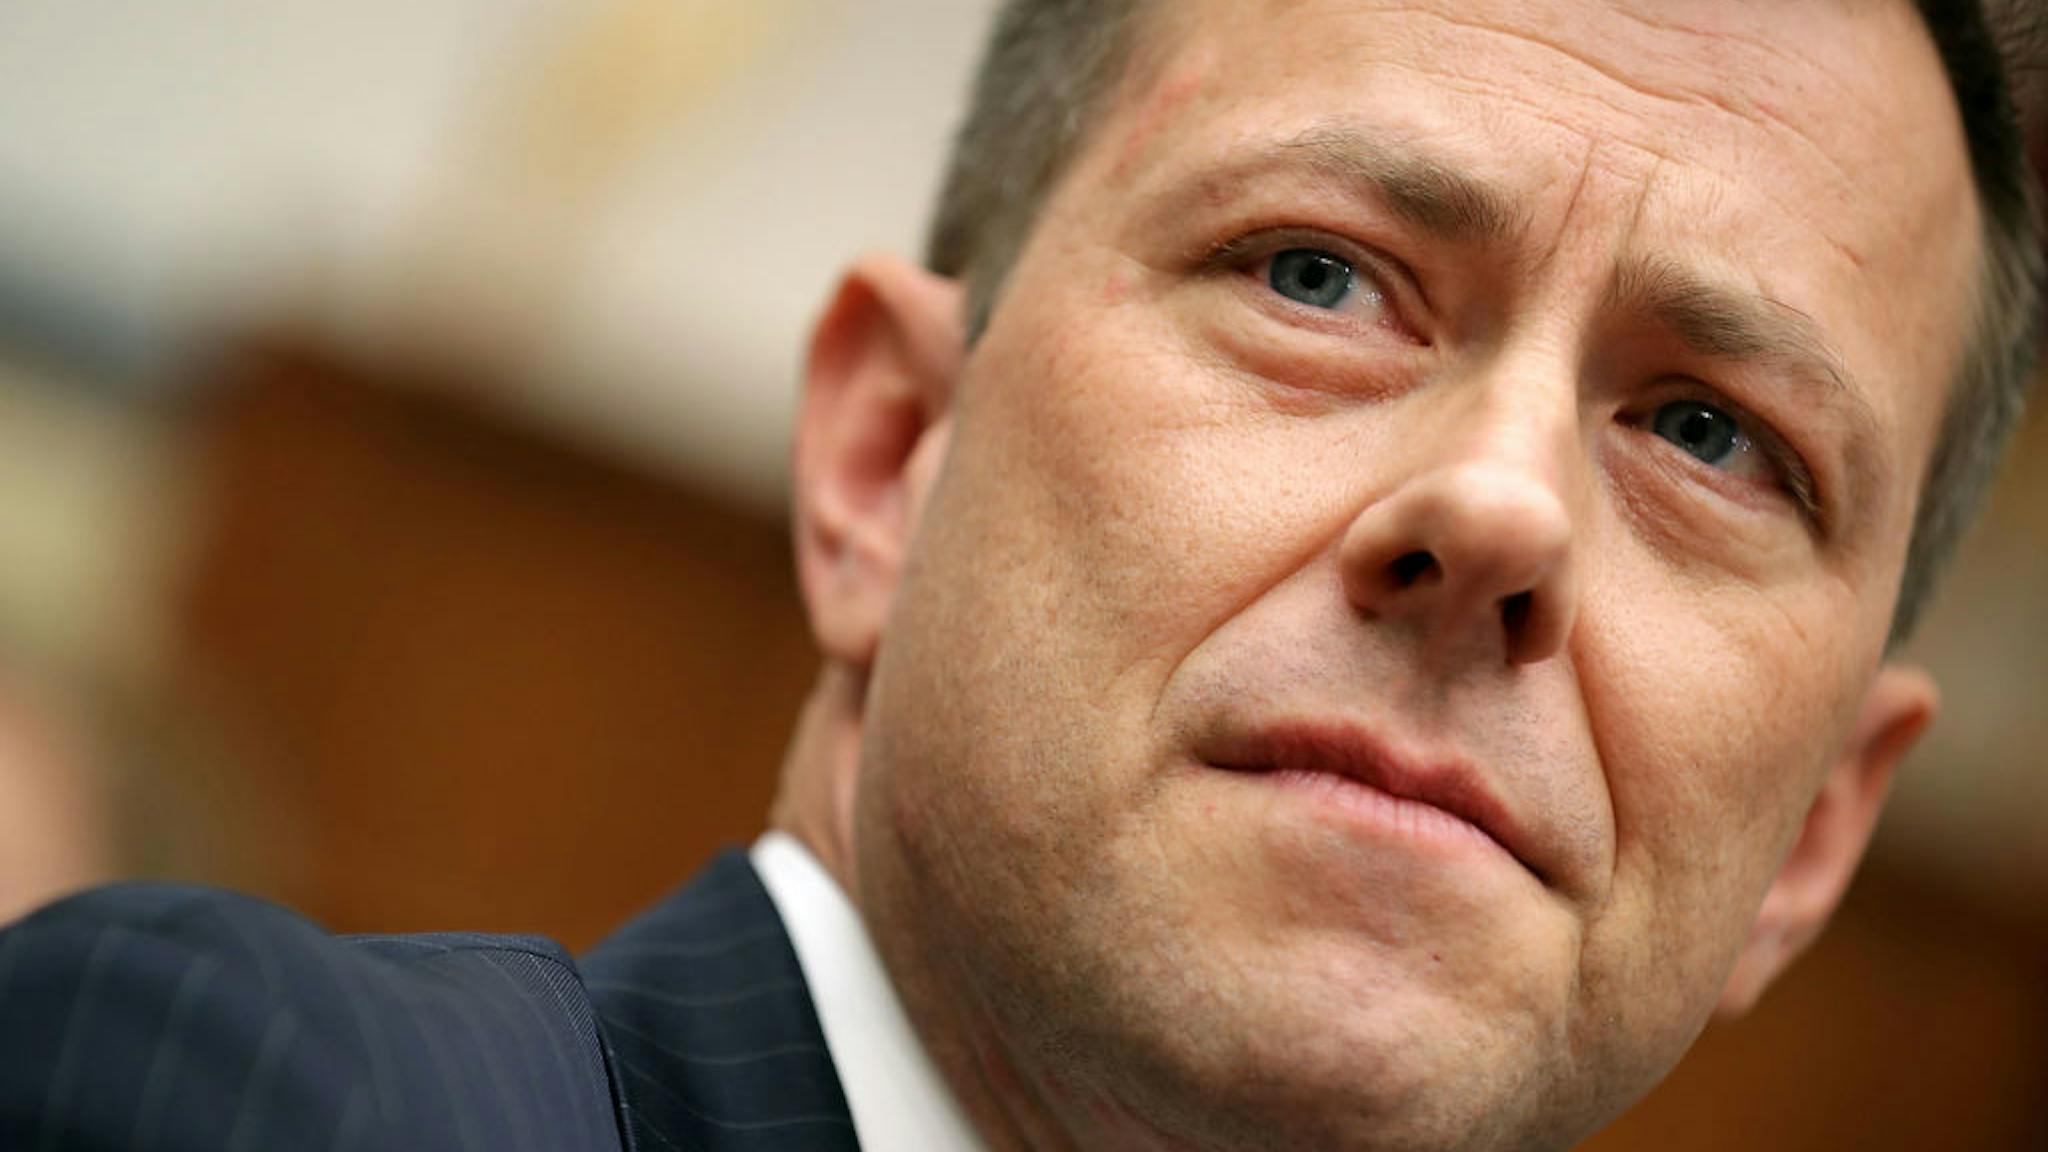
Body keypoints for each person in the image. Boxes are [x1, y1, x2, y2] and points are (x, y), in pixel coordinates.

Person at [2, 0, 2039, 1149]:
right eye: (1317, 276)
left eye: (1710, 436)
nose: (1501, 509)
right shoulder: (250, 1105)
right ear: (888, 456)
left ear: (1812, 841)